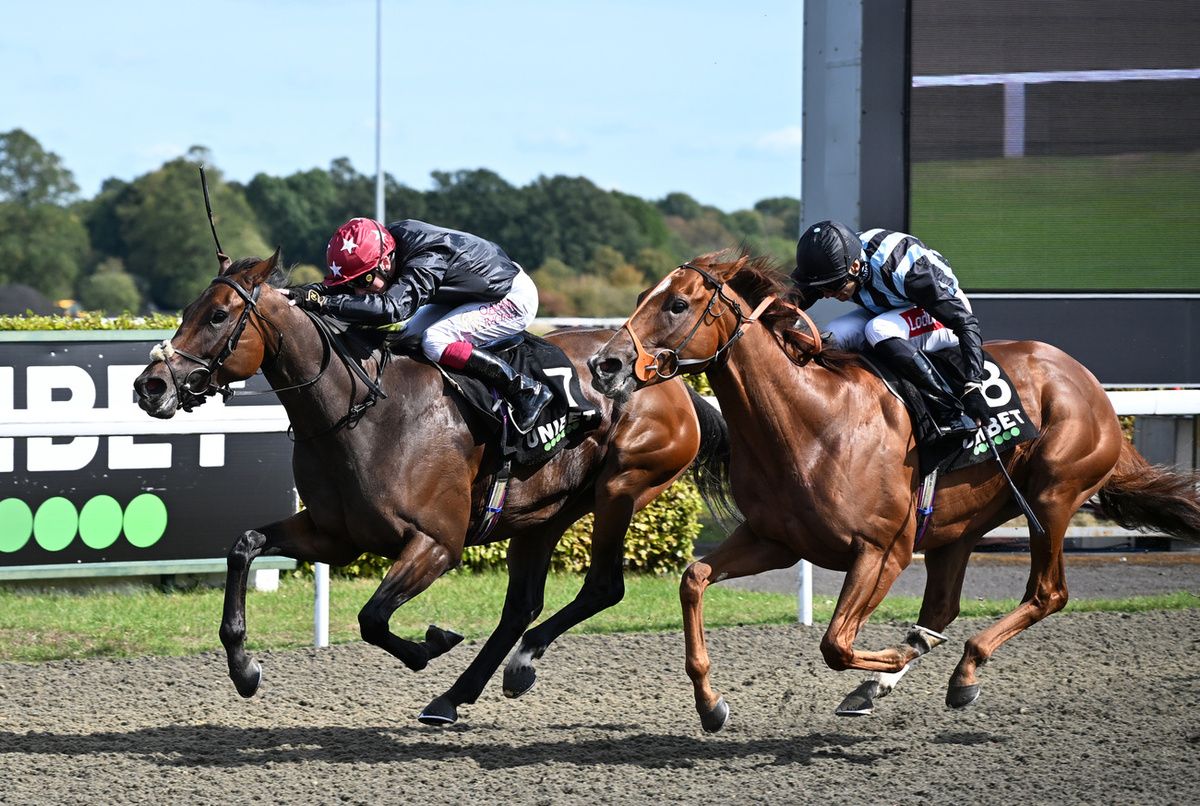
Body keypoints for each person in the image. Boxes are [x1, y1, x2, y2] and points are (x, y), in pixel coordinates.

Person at [282, 217, 552, 433]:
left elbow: (392, 310)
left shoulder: (427, 258)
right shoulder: (382, 248)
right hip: (469, 293)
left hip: (509, 296)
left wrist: (322, 303)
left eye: (364, 282)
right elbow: (341, 288)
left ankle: (526, 390)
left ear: (385, 262)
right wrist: (304, 293)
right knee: (407, 338)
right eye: (352, 284)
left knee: (436, 341)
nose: (359, 292)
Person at [790, 220, 990, 439]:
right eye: (821, 288)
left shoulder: (905, 269)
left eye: (833, 287)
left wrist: (974, 386)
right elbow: (790, 302)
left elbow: (966, 322)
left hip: (938, 312)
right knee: (832, 334)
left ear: (855, 267)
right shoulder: (837, 261)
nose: (826, 295)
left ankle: (949, 409)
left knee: (878, 329)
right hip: (892, 308)